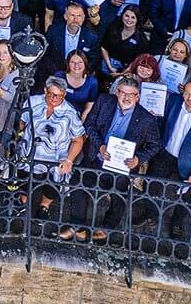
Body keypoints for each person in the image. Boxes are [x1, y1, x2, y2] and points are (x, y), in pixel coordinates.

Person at [65, 76, 161, 242]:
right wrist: (100, 145)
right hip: (97, 157)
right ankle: (77, 226)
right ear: (117, 92)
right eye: (123, 93)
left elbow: (155, 145)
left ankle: (107, 227)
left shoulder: (147, 119)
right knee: (77, 184)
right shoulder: (104, 101)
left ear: (138, 96)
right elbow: (89, 124)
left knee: (119, 196)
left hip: (122, 166)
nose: (127, 97)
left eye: (132, 94)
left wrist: (138, 159)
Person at [145, 81, 191, 238]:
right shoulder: (173, 101)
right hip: (165, 154)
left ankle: (177, 224)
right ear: (182, 93)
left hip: (190, 164)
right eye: (187, 93)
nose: (190, 98)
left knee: (186, 198)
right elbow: (162, 123)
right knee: (152, 185)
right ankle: (151, 215)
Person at [15, 76, 86, 226]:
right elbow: (22, 122)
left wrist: (69, 160)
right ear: (45, 90)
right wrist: (19, 137)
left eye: (59, 95)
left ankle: (44, 206)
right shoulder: (33, 102)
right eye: (51, 94)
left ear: (64, 95)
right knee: (24, 179)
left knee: (52, 185)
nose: (54, 98)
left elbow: (78, 140)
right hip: (29, 152)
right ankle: (23, 201)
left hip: (55, 157)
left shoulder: (70, 113)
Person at [42, 3, 100, 79]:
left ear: (83, 18)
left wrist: (78, 74)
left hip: (79, 76)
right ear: (65, 16)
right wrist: (57, 74)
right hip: (55, 75)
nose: (76, 20)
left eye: (79, 16)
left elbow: (93, 61)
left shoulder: (91, 37)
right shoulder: (53, 31)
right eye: (72, 15)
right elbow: (46, 55)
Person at [99, 5, 148, 81]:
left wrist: (121, 74)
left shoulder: (141, 39)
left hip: (126, 71)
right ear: (122, 15)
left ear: (138, 19)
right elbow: (104, 47)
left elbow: (137, 60)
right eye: (126, 16)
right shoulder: (113, 27)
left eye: (133, 17)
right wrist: (109, 66)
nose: (129, 20)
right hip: (106, 64)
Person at [56, 51, 98, 117]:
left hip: (77, 116)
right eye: (73, 62)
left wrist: (81, 123)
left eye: (80, 62)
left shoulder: (92, 82)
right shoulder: (59, 76)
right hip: (57, 112)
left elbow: (89, 107)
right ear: (68, 63)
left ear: (85, 63)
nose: (76, 65)